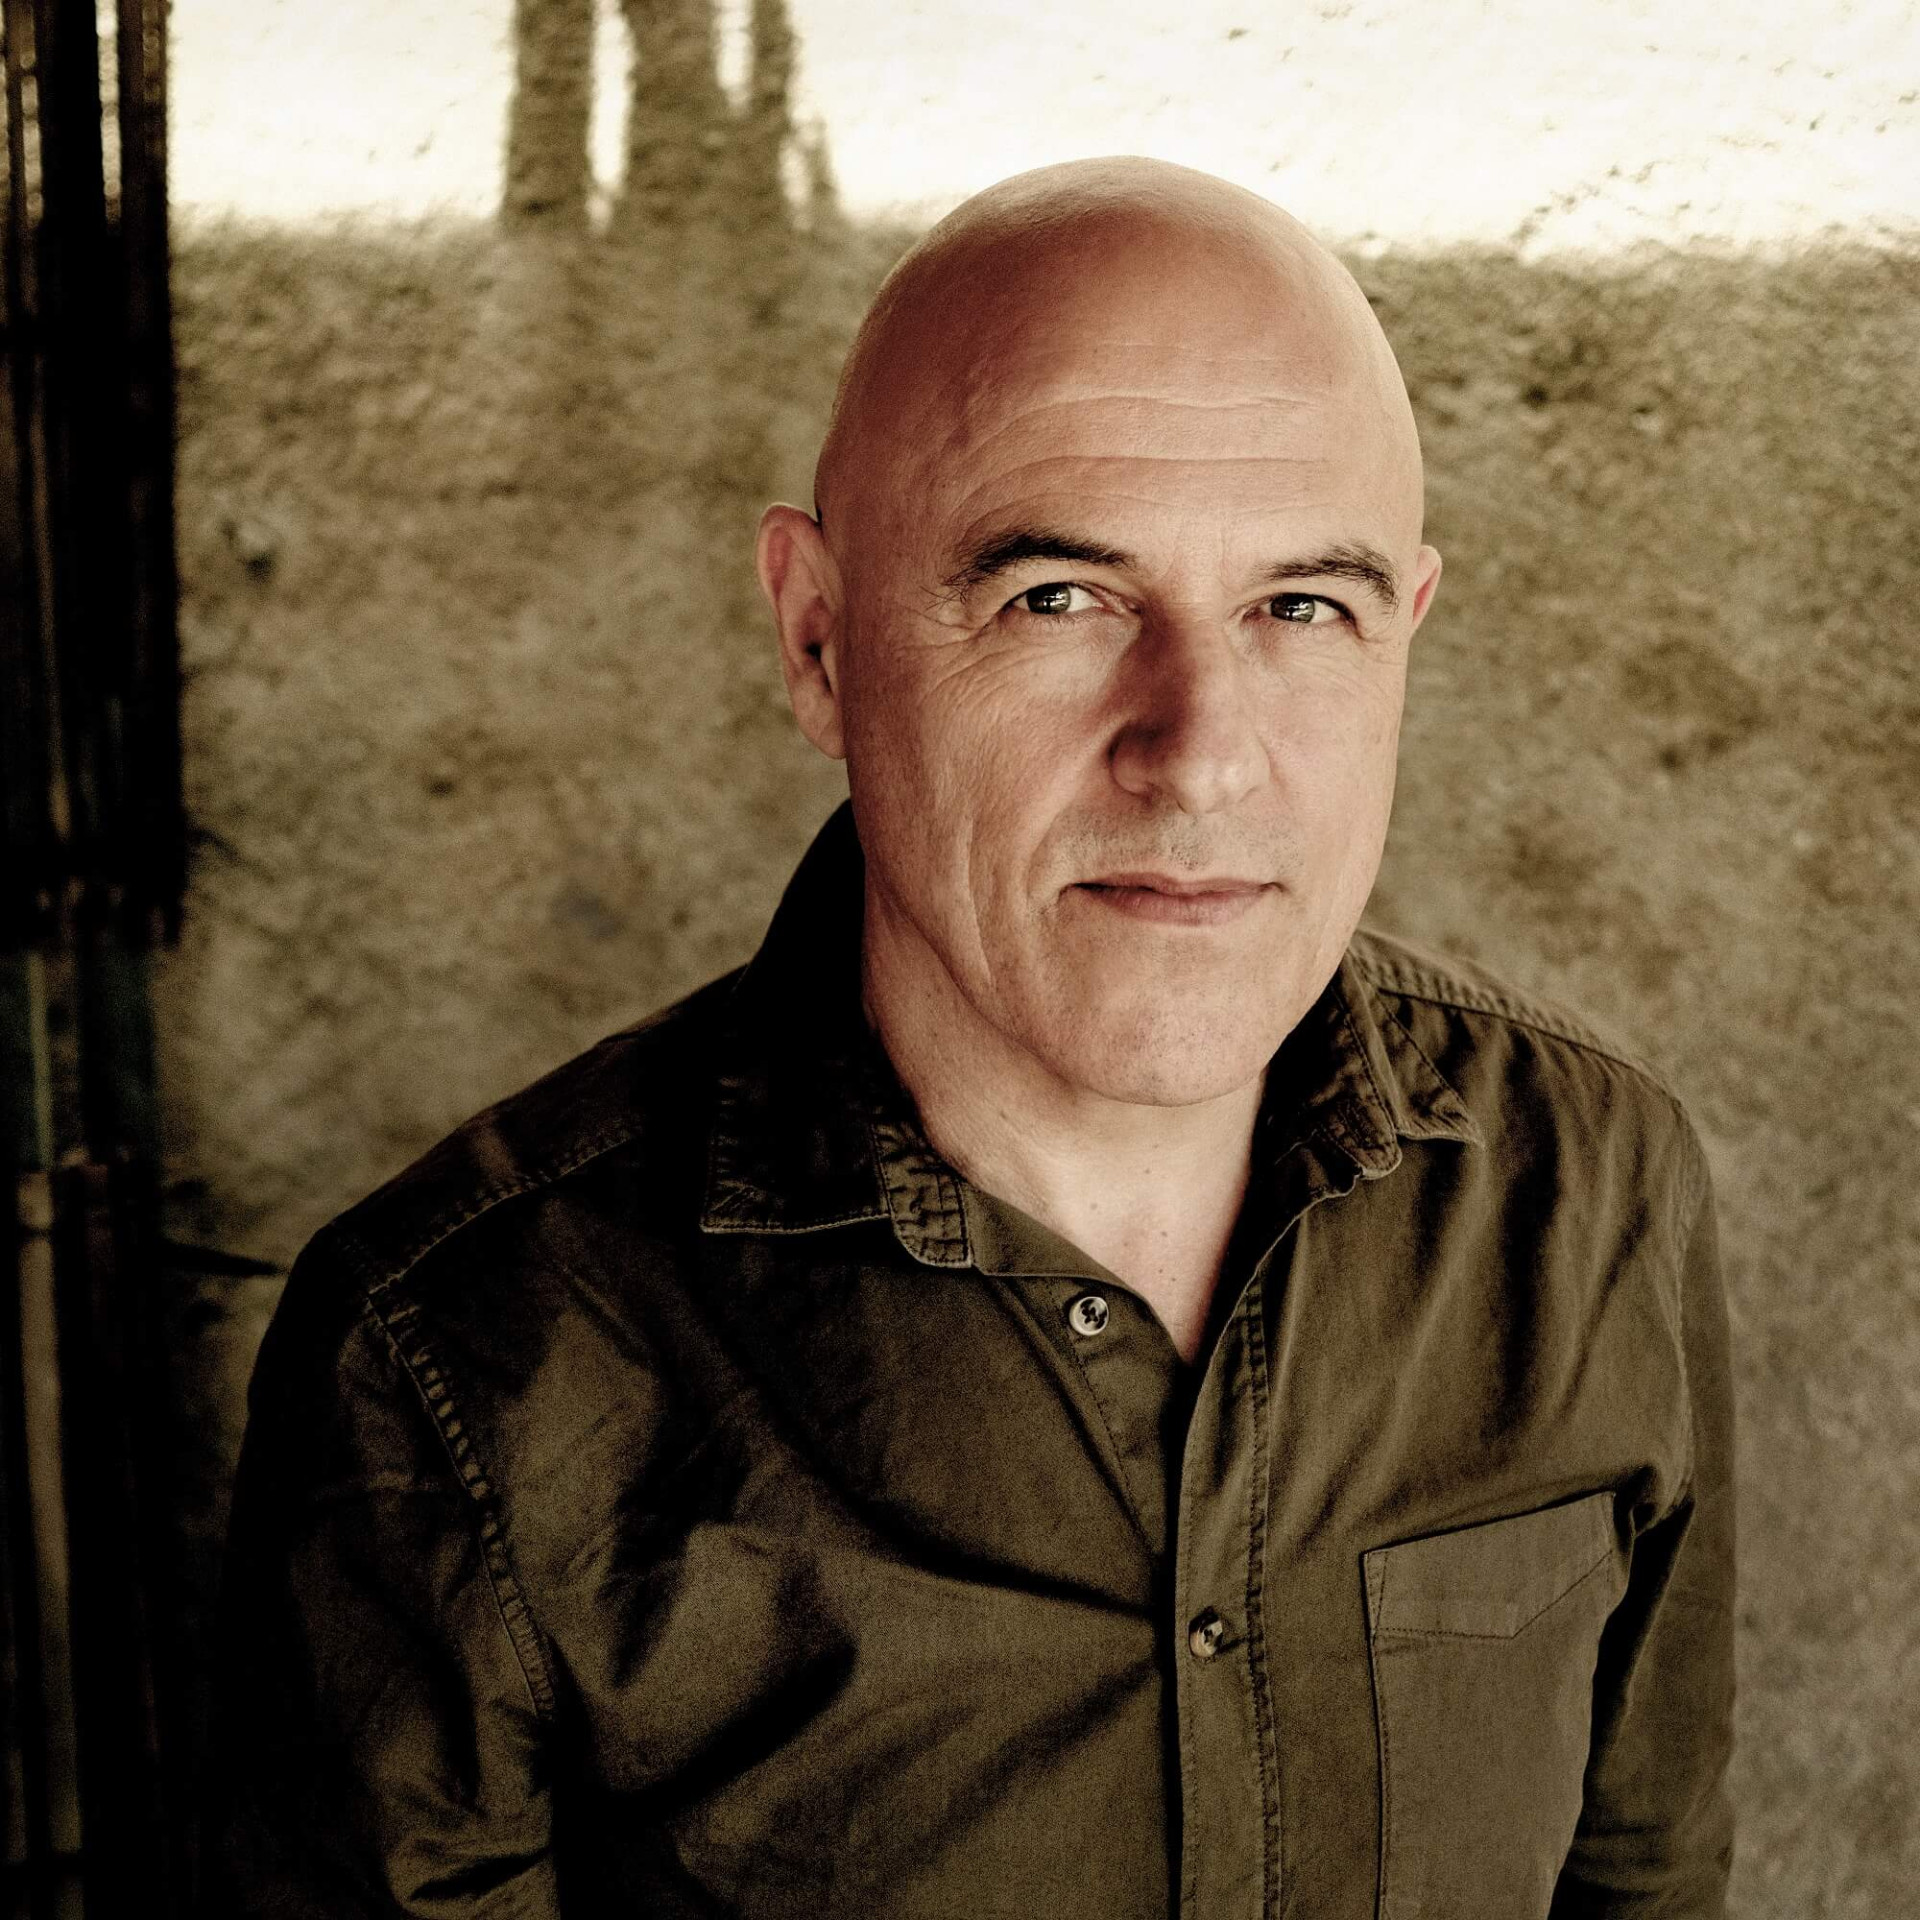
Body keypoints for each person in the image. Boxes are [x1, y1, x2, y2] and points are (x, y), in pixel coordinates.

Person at [207, 158, 1734, 1917]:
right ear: (820, 642)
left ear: (1407, 632)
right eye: (1059, 598)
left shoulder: (1591, 1188)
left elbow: (1645, 1886)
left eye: (1303, 607)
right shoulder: (461, 1361)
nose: (1200, 753)